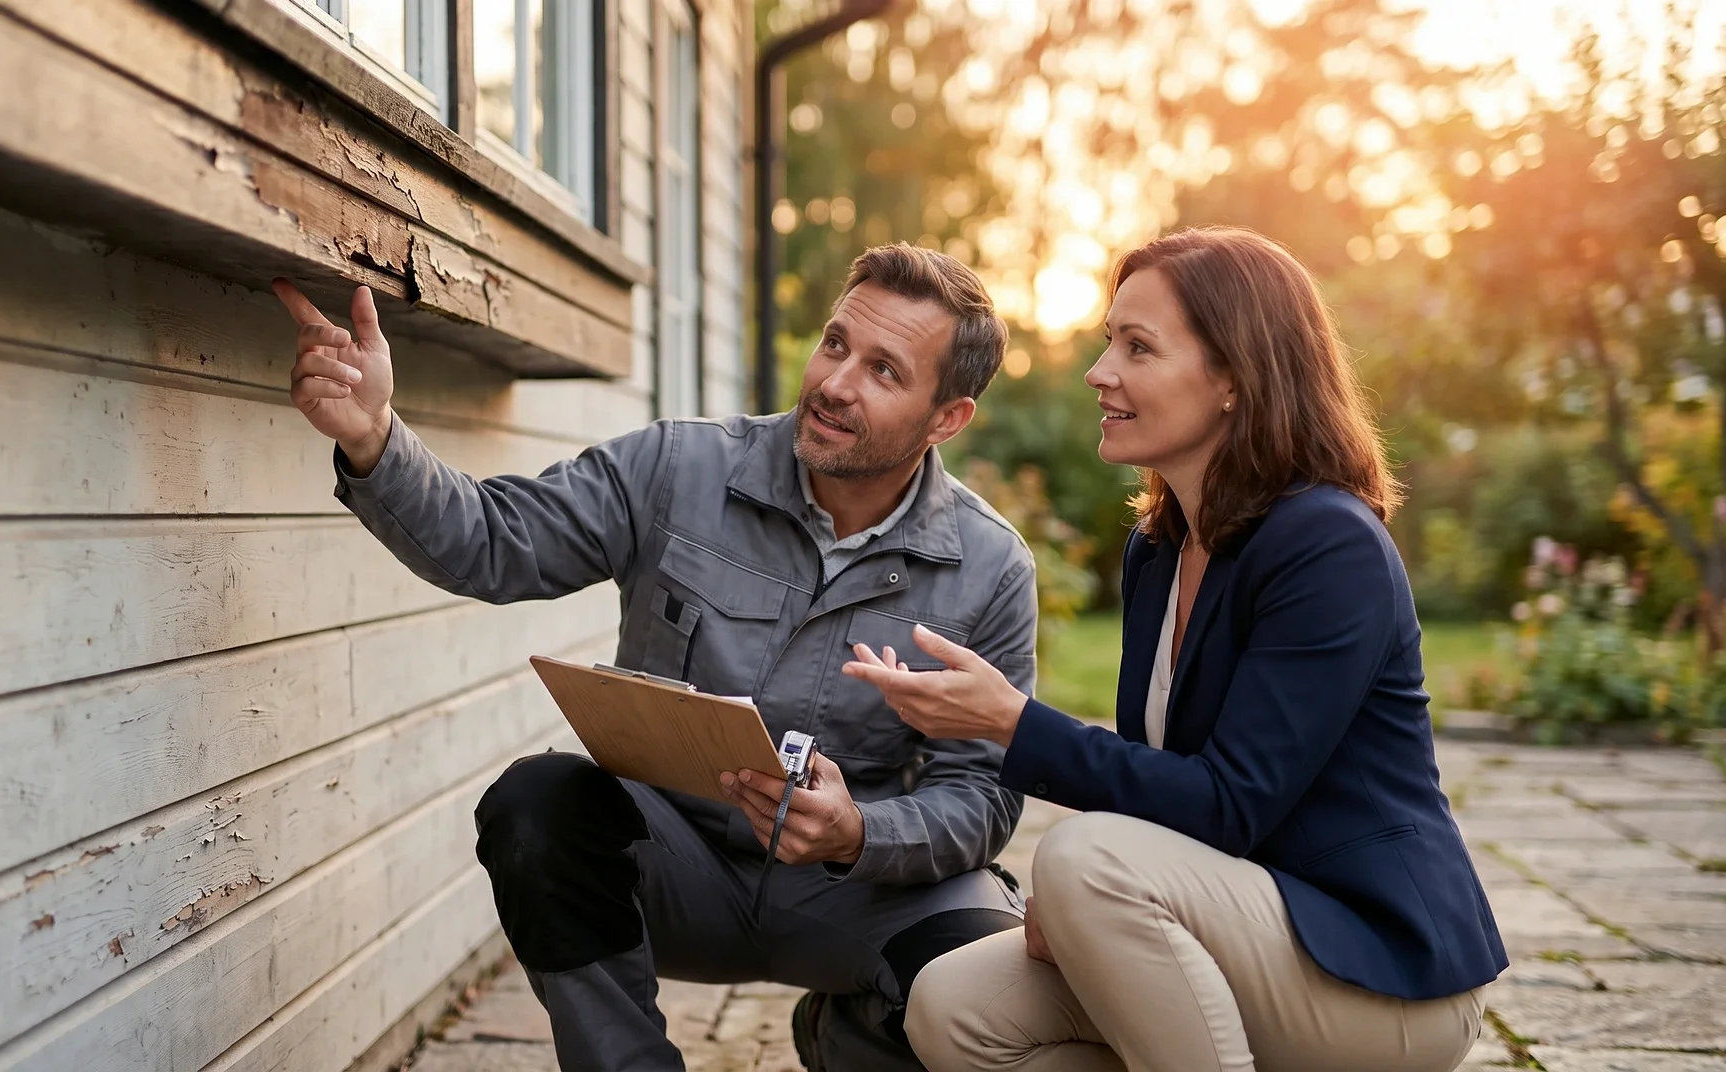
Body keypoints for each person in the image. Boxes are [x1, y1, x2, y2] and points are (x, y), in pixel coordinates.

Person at [270, 243, 1037, 1072]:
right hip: (675, 868)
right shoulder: (679, 467)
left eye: (885, 371)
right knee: (537, 807)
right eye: (836, 343)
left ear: (946, 418)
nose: (835, 384)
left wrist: (859, 831)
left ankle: (845, 1036)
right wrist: (375, 438)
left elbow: (980, 797)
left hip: (857, 890)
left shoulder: (991, 570)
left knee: (992, 978)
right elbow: (496, 542)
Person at [842, 227, 1507, 1072]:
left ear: (1232, 377)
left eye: (1138, 347)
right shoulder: (1159, 549)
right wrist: (1079, 907)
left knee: (1086, 860)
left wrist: (1014, 725)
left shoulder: (1326, 545)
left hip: (1376, 972)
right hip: (1243, 930)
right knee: (953, 1007)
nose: (1099, 371)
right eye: (1108, 340)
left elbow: (1231, 802)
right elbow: (1163, 779)